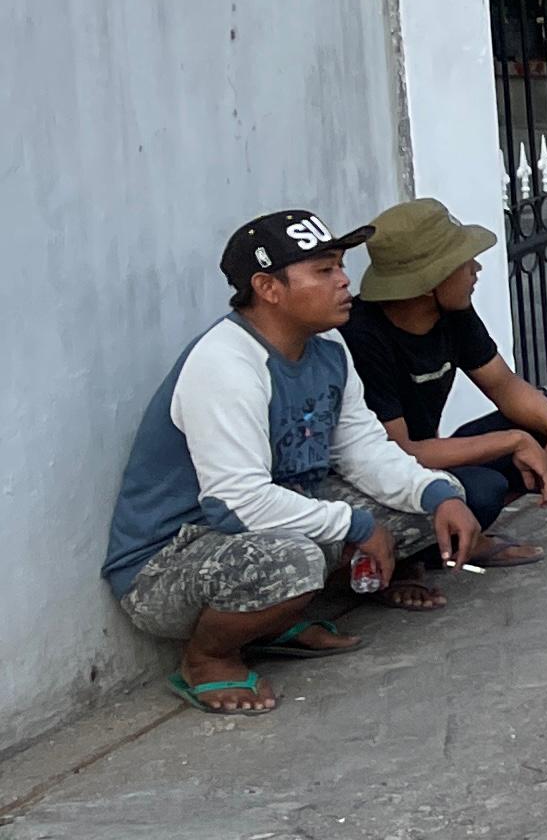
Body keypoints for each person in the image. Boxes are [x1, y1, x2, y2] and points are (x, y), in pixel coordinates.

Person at [102, 211, 482, 715]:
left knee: (425, 506)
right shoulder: (226, 365)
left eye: (340, 266)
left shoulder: (328, 348)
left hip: (262, 530)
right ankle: (208, 659)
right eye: (324, 271)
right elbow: (234, 504)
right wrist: (353, 523)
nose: (345, 280)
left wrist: (439, 493)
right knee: (298, 558)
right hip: (169, 563)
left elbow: (363, 449)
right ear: (268, 288)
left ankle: (276, 622)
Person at [342, 199, 547, 557]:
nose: (475, 268)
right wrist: (514, 441)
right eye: (463, 263)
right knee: (482, 490)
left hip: (435, 455)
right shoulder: (361, 336)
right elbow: (400, 452)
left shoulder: (453, 311)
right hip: (392, 478)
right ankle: (425, 552)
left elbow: (504, 385)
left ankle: (465, 532)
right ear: (430, 281)